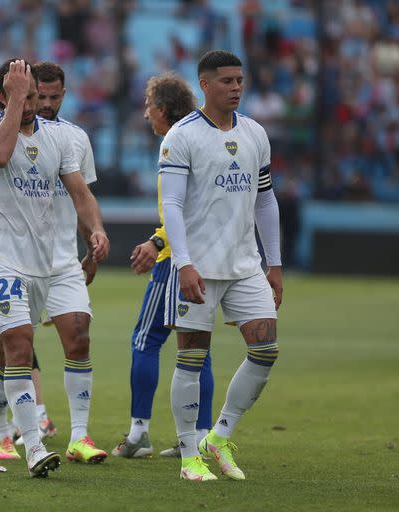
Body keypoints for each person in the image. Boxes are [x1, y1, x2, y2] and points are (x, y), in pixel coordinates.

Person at [0, 58, 109, 477]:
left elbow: (80, 194)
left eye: (34, 94)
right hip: (2, 256)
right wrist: (13, 103)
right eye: (22, 95)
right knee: (19, 346)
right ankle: (34, 446)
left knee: (63, 337)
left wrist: (95, 229)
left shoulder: (60, 139)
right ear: (2, 97)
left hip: (52, 261)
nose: (31, 103)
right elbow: (0, 155)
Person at [159, 50, 283, 481]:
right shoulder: (181, 136)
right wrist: (184, 263)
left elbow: (265, 200)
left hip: (246, 265)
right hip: (199, 268)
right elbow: (171, 204)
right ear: (205, 85)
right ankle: (190, 453)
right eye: (227, 81)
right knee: (191, 358)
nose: (236, 88)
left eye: (239, 81)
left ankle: (219, 434)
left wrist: (275, 263)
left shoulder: (254, 133)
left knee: (266, 350)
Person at [111, 72, 215, 459]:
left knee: (146, 339)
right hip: (204, 258)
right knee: (197, 348)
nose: (145, 115)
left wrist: (158, 243)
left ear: (163, 109)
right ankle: (202, 436)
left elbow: (183, 211)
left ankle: (139, 434)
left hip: (177, 262)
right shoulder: (203, 139)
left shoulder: (176, 143)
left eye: (148, 107)